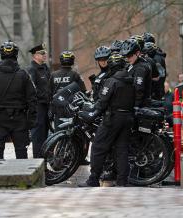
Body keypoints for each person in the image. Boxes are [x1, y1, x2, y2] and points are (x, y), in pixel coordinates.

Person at [79, 53, 135, 187]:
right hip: (127, 117)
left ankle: (93, 179)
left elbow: (102, 102)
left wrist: (92, 113)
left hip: (113, 118)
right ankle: (122, 181)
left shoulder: (112, 81)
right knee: (122, 149)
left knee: (98, 146)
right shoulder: (130, 79)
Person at [0, 40, 37, 163]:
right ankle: (23, 177)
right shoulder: (23, 74)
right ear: (16, 55)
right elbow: (32, 99)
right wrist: (32, 120)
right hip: (19, 118)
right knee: (21, 150)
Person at [49, 51, 86, 128]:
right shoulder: (75, 75)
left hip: (57, 108)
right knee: (72, 134)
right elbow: (83, 91)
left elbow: (49, 93)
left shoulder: (53, 75)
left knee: (58, 133)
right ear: (72, 60)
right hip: (71, 108)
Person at [27, 43, 51, 158]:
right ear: (34, 56)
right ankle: (38, 159)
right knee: (38, 135)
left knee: (46, 134)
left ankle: (44, 159)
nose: (44, 55)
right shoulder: (32, 69)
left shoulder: (45, 68)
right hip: (38, 106)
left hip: (47, 105)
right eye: (41, 53)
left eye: (44, 53)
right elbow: (32, 89)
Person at [120, 39, 152, 107]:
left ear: (137, 53)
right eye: (126, 56)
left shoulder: (141, 68)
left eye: (130, 55)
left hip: (140, 106)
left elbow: (138, 91)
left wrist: (135, 107)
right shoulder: (132, 64)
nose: (128, 58)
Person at [143, 32, 167, 98]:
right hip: (157, 91)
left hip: (156, 92)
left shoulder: (157, 57)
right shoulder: (157, 55)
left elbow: (159, 76)